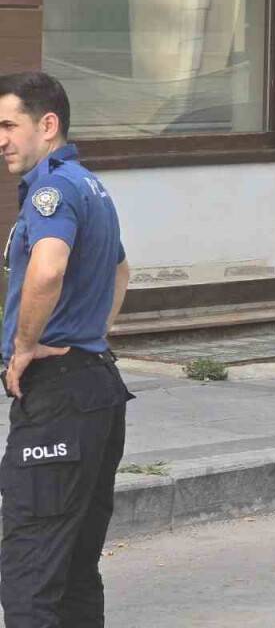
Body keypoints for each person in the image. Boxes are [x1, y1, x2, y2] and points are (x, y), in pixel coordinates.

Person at [0, 71, 131, 627]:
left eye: (9, 125)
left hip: (60, 396)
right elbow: (121, 270)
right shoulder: (90, 186)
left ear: (47, 125)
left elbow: (48, 268)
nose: (1, 140)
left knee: (30, 568)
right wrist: (91, 334)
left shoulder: (51, 191)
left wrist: (25, 346)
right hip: (96, 388)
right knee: (75, 565)